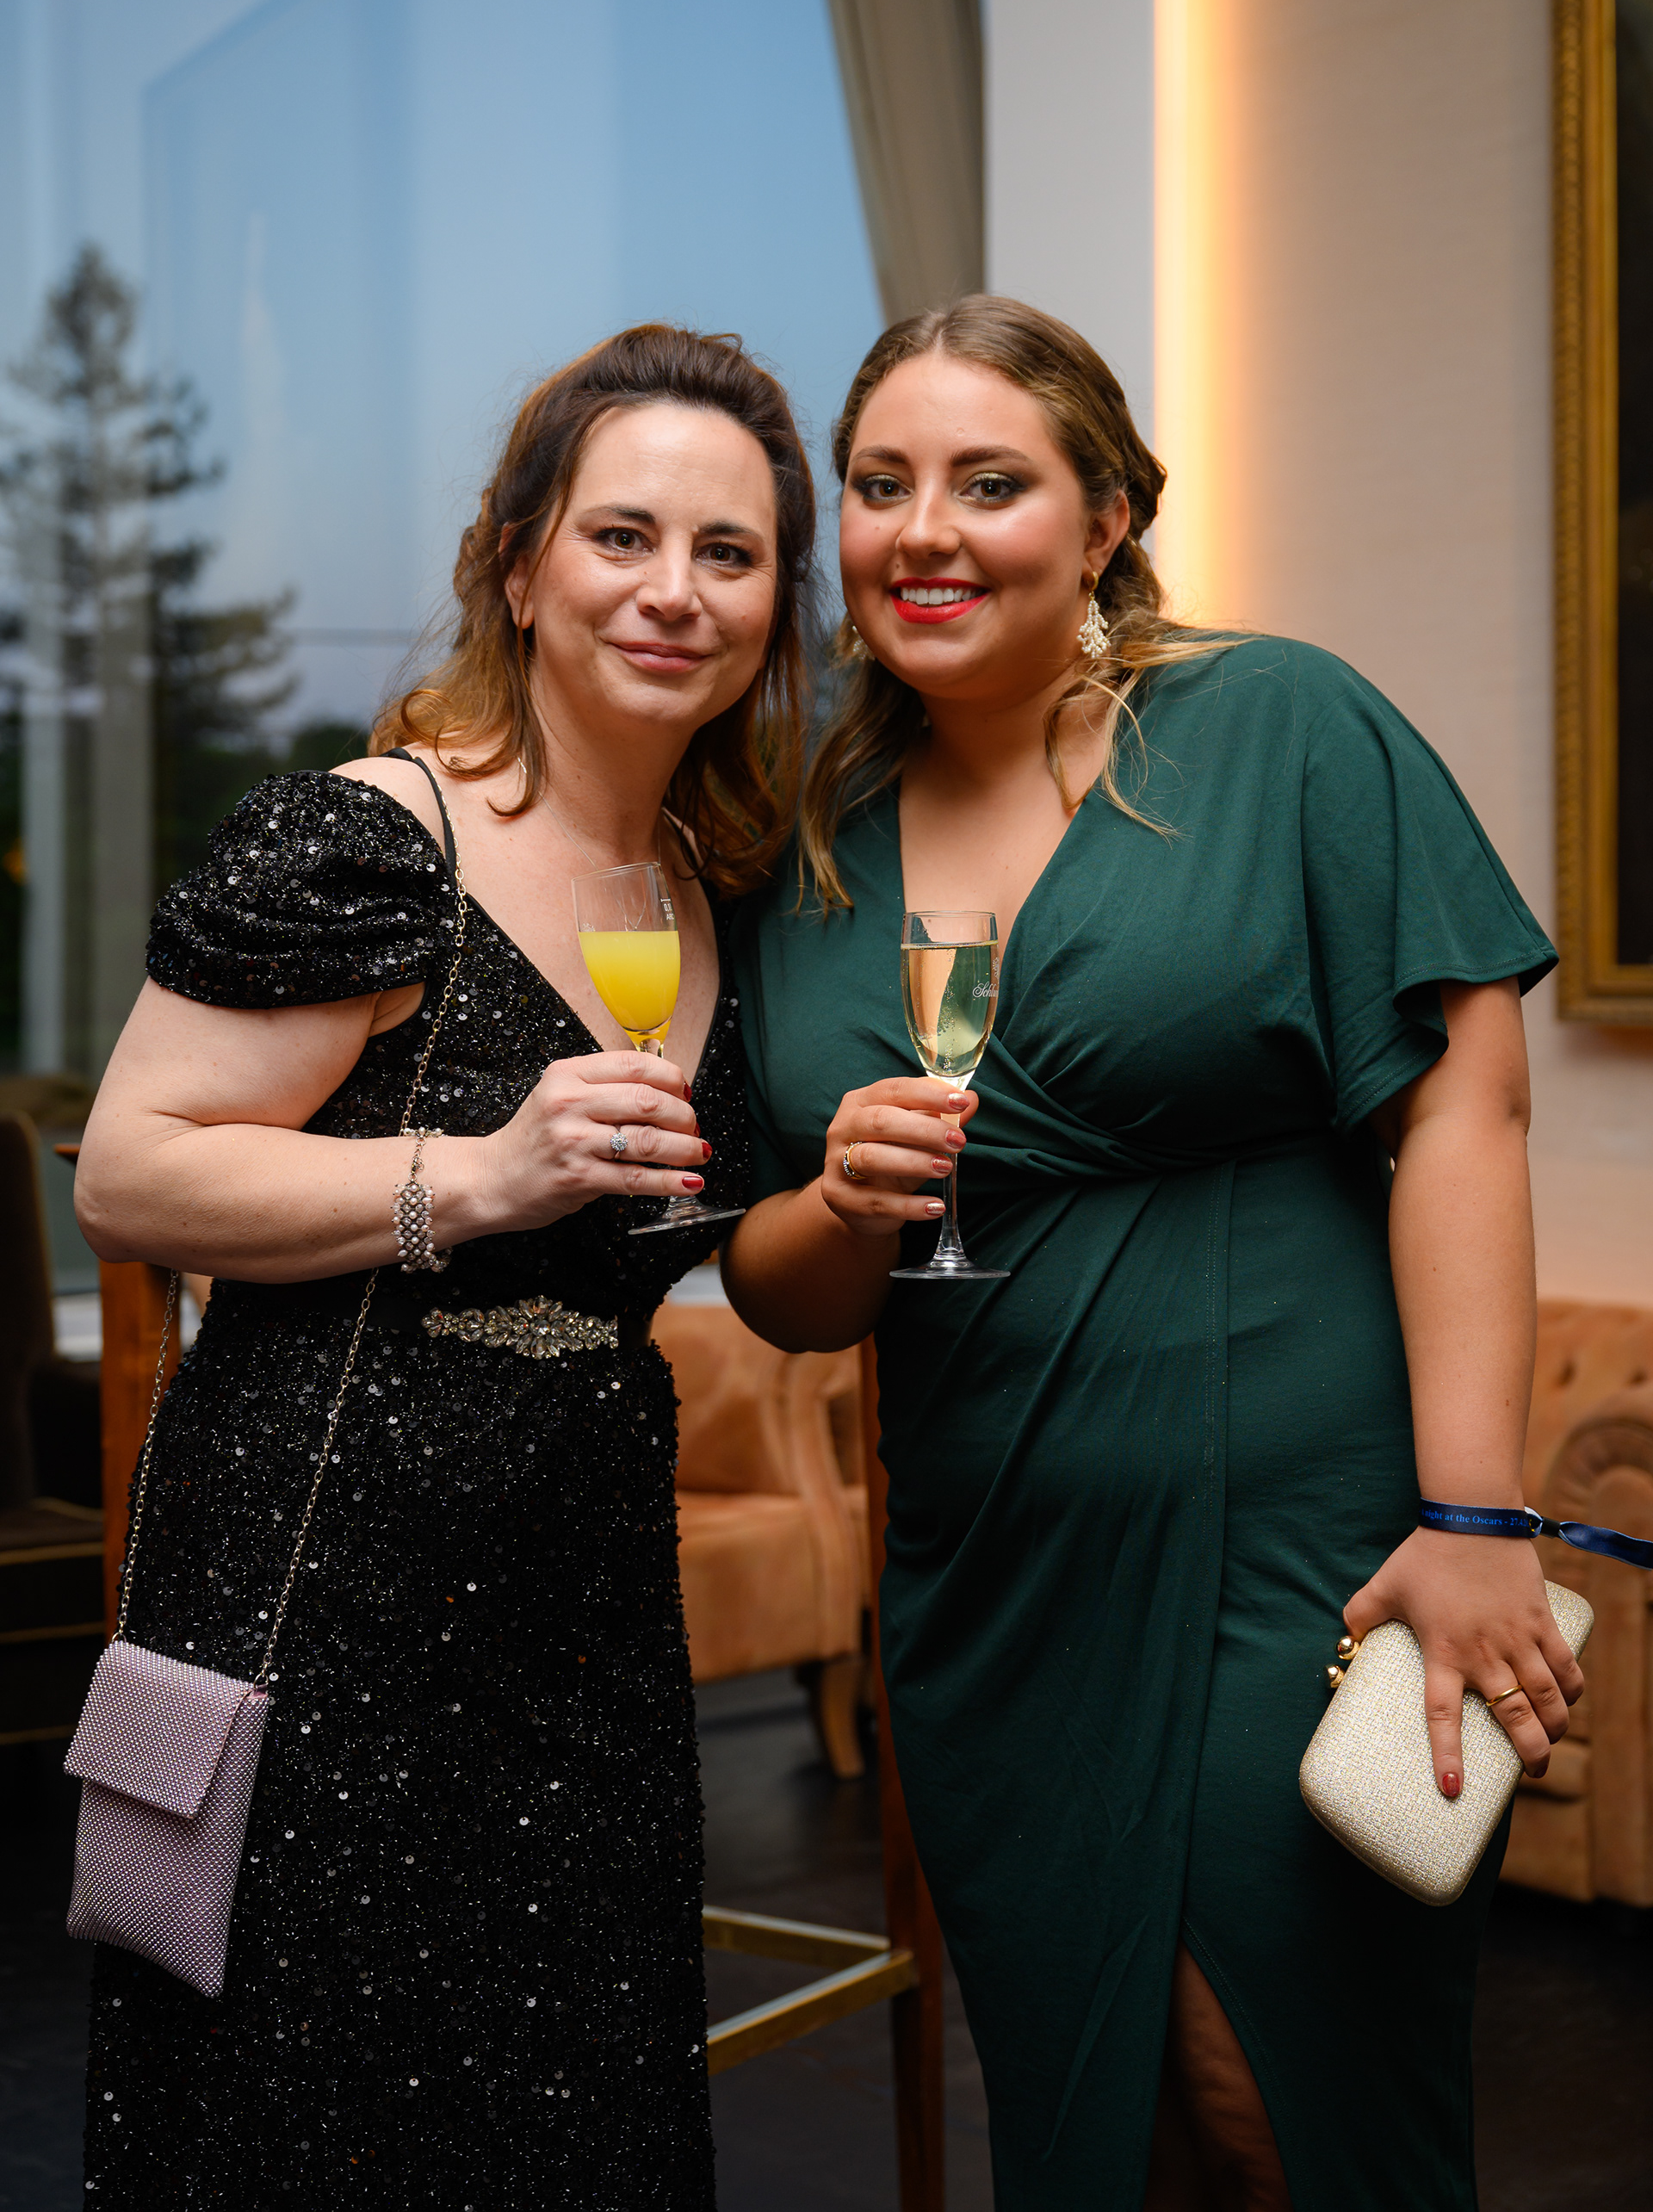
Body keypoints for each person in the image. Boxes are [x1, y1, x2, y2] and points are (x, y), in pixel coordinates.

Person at [721, 296, 1578, 2212]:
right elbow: (780, 1290)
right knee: (1107, 2126)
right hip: (994, 1581)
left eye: (990, 483)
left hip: (1304, 1544)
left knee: (1280, 2105)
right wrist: (841, 1206)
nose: (924, 531)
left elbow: (1466, 1108)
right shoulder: (807, 846)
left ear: (1106, 517)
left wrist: (1474, 1513)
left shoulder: (1278, 727)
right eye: (880, 484)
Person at [73, 324, 814, 2208]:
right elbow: (133, 1175)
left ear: (772, 606)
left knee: (575, 2112)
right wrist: (477, 1177)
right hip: (319, 1604)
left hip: (580, 1605)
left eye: (728, 552)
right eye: (622, 534)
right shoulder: (372, 839)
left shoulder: (713, 892)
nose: (674, 589)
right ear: (518, 565)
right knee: (311, 2123)